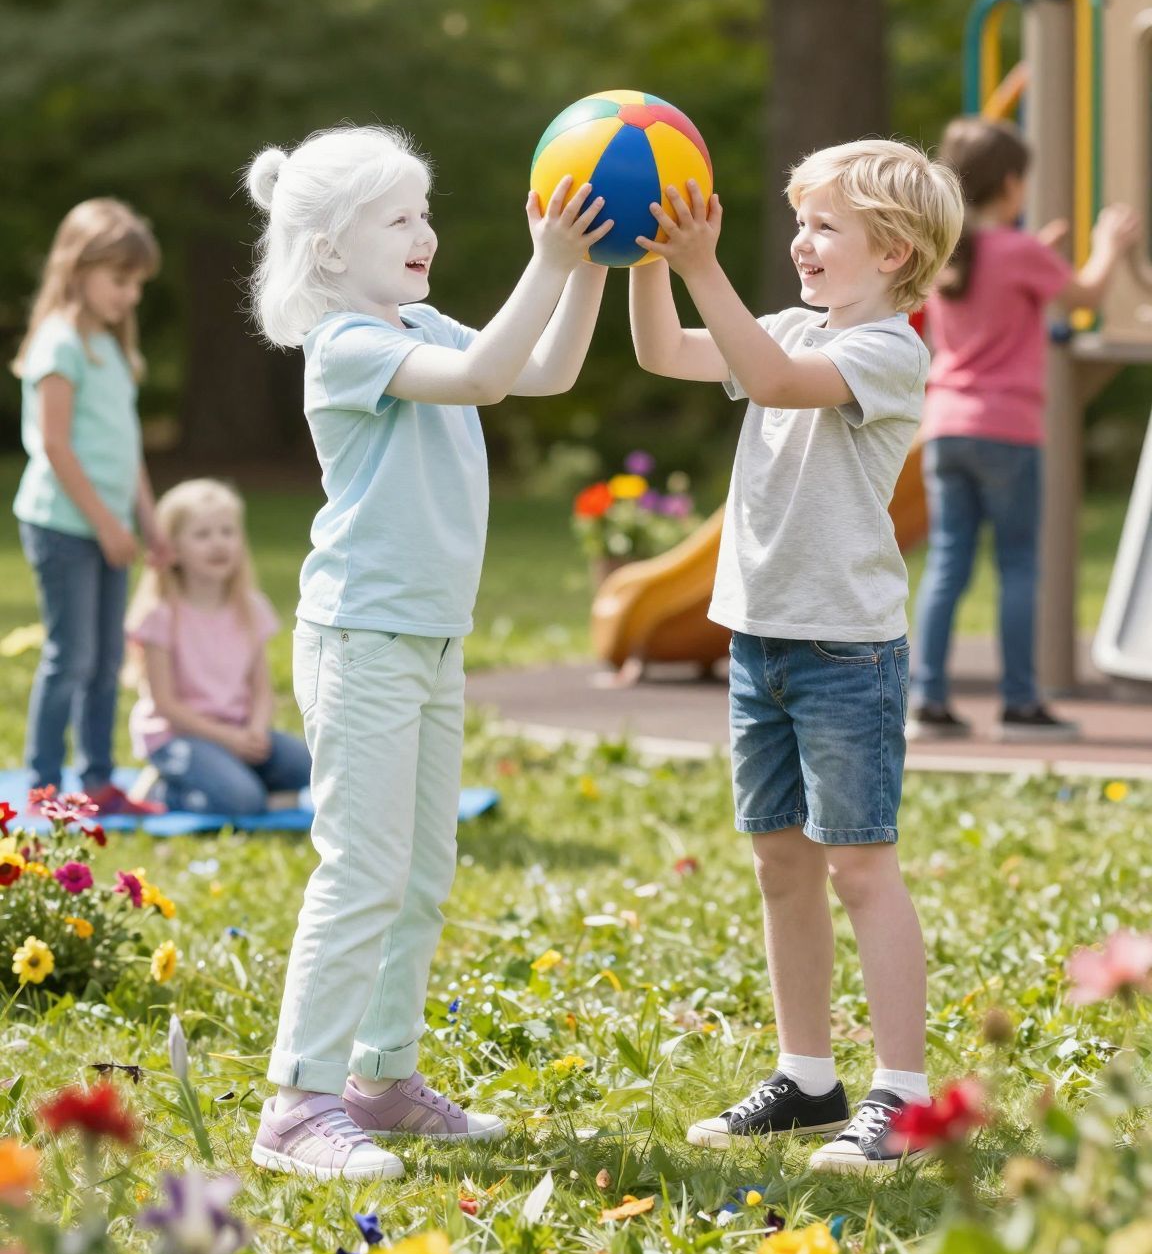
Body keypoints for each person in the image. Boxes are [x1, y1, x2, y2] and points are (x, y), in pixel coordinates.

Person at [245, 123, 612, 1181]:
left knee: (420, 869)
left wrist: (585, 267)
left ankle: (382, 1079)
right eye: (399, 216)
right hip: (362, 636)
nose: (427, 231)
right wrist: (547, 259)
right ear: (327, 248)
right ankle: (297, 1102)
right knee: (362, 865)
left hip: (431, 638)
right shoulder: (347, 344)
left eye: (425, 210)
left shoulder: (412, 318)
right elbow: (490, 377)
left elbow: (541, 368)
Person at [629, 140, 964, 1171]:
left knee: (861, 866)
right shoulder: (782, 324)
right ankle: (808, 1075)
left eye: (825, 226)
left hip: (842, 650)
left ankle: (902, 1093)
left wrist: (698, 262)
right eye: (800, 222)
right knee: (783, 863)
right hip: (759, 638)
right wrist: (647, 253)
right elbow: (660, 352)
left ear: (895, 249)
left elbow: (772, 381)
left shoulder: (887, 351)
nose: (800, 242)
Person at [909, 117, 1139, 740]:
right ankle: (1018, 704)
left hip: (945, 426)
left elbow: (996, 286)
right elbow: (1085, 295)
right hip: (1007, 430)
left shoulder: (948, 252)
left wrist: (1038, 246)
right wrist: (1108, 245)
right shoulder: (1020, 254)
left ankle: (927, 698)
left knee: (948, 563)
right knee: (1017, 565)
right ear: (1012, 183)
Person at [12, 198, 167, 818]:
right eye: (120, 280)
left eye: (137, 284)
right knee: (70, 658)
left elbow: (127, 452)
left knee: (106, 660)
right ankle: (45, 790)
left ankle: (98, 782)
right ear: (79, 269)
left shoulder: (114, 349)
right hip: (63, 527)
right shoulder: (61, 345)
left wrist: (148, 523)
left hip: (111, 533)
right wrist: (105, 524)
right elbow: (53, 444)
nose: (130, 296)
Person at [126, 478, 311, 815]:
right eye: (202, 534)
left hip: (239, 732)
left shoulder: (251, 608)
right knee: (243, 802)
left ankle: (234, 778)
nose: (219, 543)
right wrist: (228, 739)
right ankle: (166, 790)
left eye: (228, 532)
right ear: (174, 549)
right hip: (178, 737)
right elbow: (165, 704)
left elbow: (262, 689)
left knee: (308, 765)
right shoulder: (161, 616)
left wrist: (255, 730)